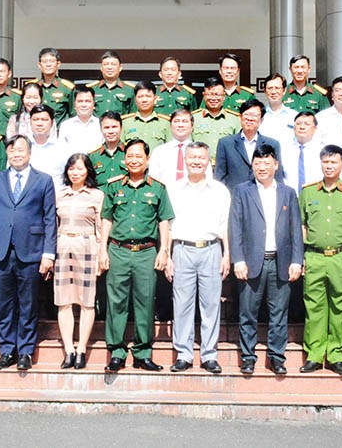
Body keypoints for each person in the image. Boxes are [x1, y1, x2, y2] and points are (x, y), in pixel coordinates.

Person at [0, 135, 57, 371]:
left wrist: (48, 254)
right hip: (0, 251)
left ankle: (25, 351)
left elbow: (49, 218)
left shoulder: (43, 181)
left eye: (20, 150)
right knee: (4, 305)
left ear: (30, 153)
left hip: (31, 251)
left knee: (28, 303)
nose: (16, 154)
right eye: (11, 151)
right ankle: (6, 350)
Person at [99, 139, 174, 372]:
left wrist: (164, 250)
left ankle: (143, 353)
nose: (134, 160)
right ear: (124, 159)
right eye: (130, 155)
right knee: (116, 303)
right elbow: (106, 219)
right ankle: (117, 352)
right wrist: (102, 249)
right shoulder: (113, 187)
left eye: (139, 156)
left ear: (147, 159)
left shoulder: (158, 188)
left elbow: (164, 221)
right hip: (118, 251)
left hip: (146, 253)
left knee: (145, 303)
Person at [229, 144, 303, 375]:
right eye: (258, 163)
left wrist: (296, 260)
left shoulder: (288, 192)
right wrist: (238, 259)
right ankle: (248, 356)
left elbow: (295, 230)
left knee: (279, 313)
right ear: (253, 165)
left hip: (280, 261)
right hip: (251, 261)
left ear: (276, 165)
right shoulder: (242, 190)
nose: (262, 167)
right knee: (248, 312)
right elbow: (236, 226)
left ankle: (276, 357)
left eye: (267, 163)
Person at [298, 145, 342, 375]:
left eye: (334, 162)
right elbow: (301, 225)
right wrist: (301, 257)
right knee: (314, 307)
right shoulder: (308, 192)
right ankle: (314, 355)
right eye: (326, 162)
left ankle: (337, 356)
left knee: (340, 307)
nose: (329, 166)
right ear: (320, 163)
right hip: (315, 256)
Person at [166, 142, 230, 374]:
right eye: (192, 157)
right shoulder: (173, 189)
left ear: (208, 160)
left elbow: (225, 226)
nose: (196, 161)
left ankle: (209, 355)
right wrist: (168, 255)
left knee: (211, 304)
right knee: (182, 304)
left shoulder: (220, 190)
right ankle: (183, 354)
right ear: (185, 159)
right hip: (182, 249)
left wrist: (227, 255)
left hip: (211, 250)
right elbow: (168, 225)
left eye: (201, 158)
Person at [54, 154, 104, 370]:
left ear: (88, 171)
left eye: (80, 169)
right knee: (64, 301)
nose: (75, 173)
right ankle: (69, 350)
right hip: (63, 246)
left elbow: (101, 228)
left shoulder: (97, 196)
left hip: (87, 247)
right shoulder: (59, 194)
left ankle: (82, 348)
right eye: (71, 169)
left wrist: (102, 254)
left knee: (86, 301)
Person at [214, 98, 284, 191]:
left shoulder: (273, 144)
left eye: (254, 115)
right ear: (240, 117)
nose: (250, 118)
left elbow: (277, 176)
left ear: (261, 120)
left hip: (263, 196)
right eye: (246, 114)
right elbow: (219, 176)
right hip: (234, 198)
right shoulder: (226, 143)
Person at [192, 77, 240, 162]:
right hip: (200, 166)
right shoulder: (193, 118)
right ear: (203, 95)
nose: (213, 98)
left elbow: (239, 147)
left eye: (217, 94)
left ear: (224, 96)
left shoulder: (235, 119)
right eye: (210, 94)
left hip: (226, 167)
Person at [26, 105, 70, 186]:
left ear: (52, 122)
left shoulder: (63, 147)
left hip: (56, 195)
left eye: (44, 120)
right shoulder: (22, 146)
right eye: (35, 120)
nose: (39, 123)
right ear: (30, 122)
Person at [29, 47, 75, 125]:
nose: (48, 64)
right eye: (45, 61)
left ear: (58, 64)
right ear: (39, 65)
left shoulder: (67, 88)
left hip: (58, 134)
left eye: (52, 61)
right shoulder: (32, 86)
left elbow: (73, 114)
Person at [149, 109, 196, 183]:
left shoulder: (200, 151)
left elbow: (206, 178)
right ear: (170, 125)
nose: (180, 125)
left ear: (192, 126)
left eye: (185, 121)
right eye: (176, 121)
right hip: (165, 193)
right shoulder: (159, 151)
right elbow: (153, 177)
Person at [281, 111, 323, 192]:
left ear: (315, 129)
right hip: (289, 198)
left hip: (315, 197)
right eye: (298, 124)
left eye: (307, 124)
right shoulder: (284, 150)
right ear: (293, 127)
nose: (302, 127)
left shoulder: (322, 151)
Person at [122, 81, 170, 147]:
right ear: (135, 100)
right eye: (140, 96)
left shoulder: (165, 124)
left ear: (155, 99)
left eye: (148, 96)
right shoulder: (125, 124)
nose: (144, 100)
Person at [59, 85, 103, 153]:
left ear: (94, 104)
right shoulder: (66, 125)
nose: (84, 105)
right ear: (74, 105)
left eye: (87, 101)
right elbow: (61, 150)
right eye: (80, 101)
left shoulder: (101, 124)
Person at [89, 51, 135, 116]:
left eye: (113, 64)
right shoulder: (91, 89)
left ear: (120, 68)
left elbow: (133, 115)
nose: (109, 67)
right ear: (101, 68)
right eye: (106, 64)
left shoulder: (130, 90)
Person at [259, 73, 297, 150]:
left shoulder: (294, 116)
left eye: (277, 88)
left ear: (284, 90)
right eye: (270, 88)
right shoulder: (259, 116)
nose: (273, 92)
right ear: (265, 91)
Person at [89, 111, 126, 186]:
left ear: (121, 128)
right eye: (106, 128)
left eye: (114, 127)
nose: (110, 131)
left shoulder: (129, 153)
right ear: (101, 129)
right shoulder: (93, 156)